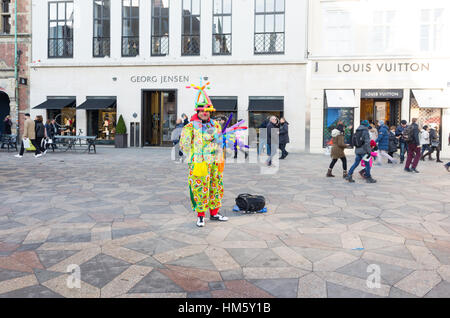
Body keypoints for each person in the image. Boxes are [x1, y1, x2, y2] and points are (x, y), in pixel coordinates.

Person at [180, 84, 228, 228]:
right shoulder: (189, 126)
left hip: (215, 161)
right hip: (200, 162)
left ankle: (214, 213)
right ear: (198, 111)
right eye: (202, 111)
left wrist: (221, 142)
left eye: (207, 111)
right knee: (200, 188)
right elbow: (184, 146)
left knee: (216, 186)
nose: (205, 113)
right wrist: (202, 141)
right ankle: (201, 216)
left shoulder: (216, 124)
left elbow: (221, 141)